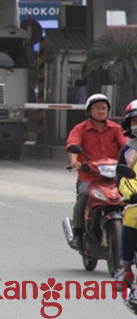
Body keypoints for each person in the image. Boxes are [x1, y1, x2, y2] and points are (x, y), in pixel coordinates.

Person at [66, 93, 128, 250]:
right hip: (89, 176)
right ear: (89, 111)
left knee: (130, 197)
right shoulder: (80, 129)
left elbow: (127, 147)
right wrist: (75, 162)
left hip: (114, 177)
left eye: (104, 108)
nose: (101, 111)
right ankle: (78, 234)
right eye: (97, 108)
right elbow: (73, 145)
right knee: (83, 196)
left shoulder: (116, 129)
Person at [115, 99, 137, 289]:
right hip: (135, 199)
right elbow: (123, 178)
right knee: (131, 218)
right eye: (135, 121)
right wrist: (131, 194)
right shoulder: (128, 151)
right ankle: (126, 267)